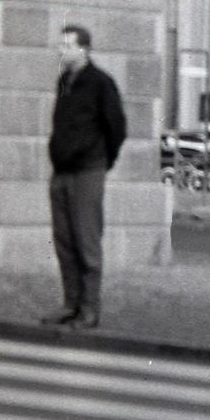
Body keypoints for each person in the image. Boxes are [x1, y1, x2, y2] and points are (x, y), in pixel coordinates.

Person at [43, 21, 126, 331]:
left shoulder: (100, 83)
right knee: (64, 241)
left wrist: (102, 160)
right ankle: (70, 304)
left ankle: (90, 309)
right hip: (61, 172)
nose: (61, 50)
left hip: (88, 171)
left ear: (84, 49)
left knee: (86, 241)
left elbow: (116, 127)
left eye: (66, 45)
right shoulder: (65, 81)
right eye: (60, 45)